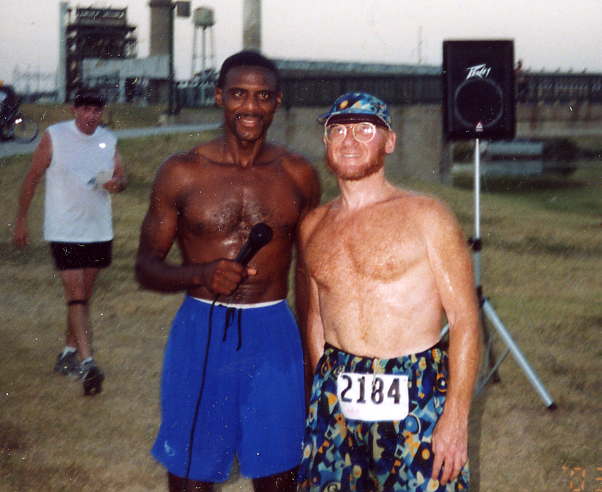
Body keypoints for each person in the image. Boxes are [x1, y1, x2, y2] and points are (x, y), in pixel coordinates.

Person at [135, 51, 320, 491]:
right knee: (191, 475)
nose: (250, 107)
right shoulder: (181, 172)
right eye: (238, 94)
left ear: (277, 101)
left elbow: (306, 274)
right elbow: (145, 267)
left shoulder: (298, 175)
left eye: (262, 96)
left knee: (280, 474)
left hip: (273, 331)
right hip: (202, 327)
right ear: (219, 96)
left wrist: (311, 355)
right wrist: (199, 274)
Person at [297, 92, 480, 491]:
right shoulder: (313, 225)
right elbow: (316, 317)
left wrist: (455, 416)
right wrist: (322, 392)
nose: (349, 140)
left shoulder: (427, 216)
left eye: (365, 129)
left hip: (416, 385)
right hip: (338, 385)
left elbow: (464, 320)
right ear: (326, 141)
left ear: (390, 141)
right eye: (337, 130)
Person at [12, 88, 127, 396]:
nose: (91, 116)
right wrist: (21, 219)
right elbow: (32, 177)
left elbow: (121, 177)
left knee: (82, 298)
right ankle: (88, 363)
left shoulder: (108, 140)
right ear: (73, 110)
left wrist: (117, 184)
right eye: (85, 109)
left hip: (98, 230)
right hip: (64, 229)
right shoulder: (55, 136)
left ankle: (67, 353)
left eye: (96, 110)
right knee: (76, 295)